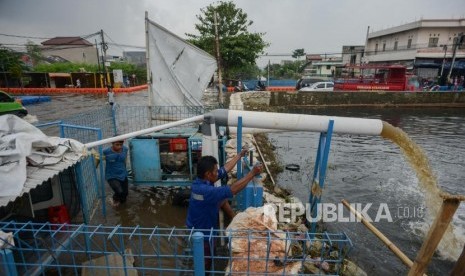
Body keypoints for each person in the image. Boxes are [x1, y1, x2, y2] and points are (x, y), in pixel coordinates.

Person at [186, 149, 263, 271]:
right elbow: (232, 190)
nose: (218, 173)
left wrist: (239, 155)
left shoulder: (201, 182)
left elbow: (224, 169)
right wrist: (251, 174)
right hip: (202, 235)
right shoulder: (206, 191)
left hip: (203, 227)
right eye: (215, 171)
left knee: (209, 257)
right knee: (204, 265)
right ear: (208, 174)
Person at [103, 140, 129, 207]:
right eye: (117, 145)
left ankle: (123, 209)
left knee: (125, 194)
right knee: (119, 191)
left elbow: (125, 160)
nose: (119, 147)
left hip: (122, 173)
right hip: (111, 175)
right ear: (112, 143)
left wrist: (124, 170)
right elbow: (97, 157)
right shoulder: (106, 151)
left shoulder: (125, 149)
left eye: (121, 144)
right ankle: (114, 200)